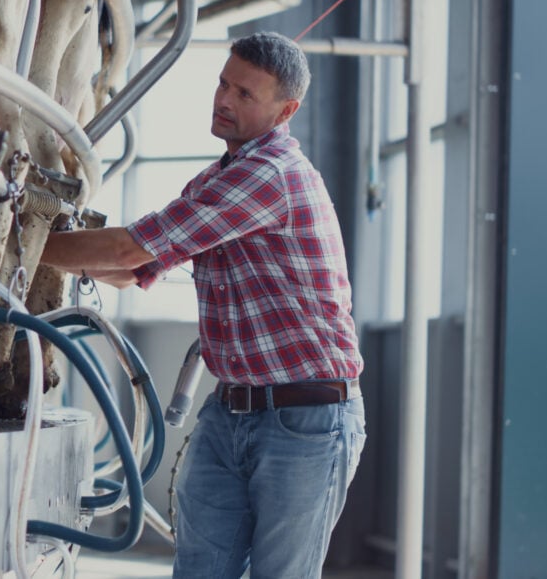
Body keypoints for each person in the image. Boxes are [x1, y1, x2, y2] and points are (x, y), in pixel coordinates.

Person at [40, 31, 365, 578]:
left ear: (286, 110)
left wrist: (14, 238)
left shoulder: (272, 177)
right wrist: (62, 252)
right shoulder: (215, 180)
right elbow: (131, 267)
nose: (223, 100)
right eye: (223, 84)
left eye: (245, 94)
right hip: (229, 411)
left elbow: (126, 247)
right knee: (199, 569)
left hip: (306, 419)